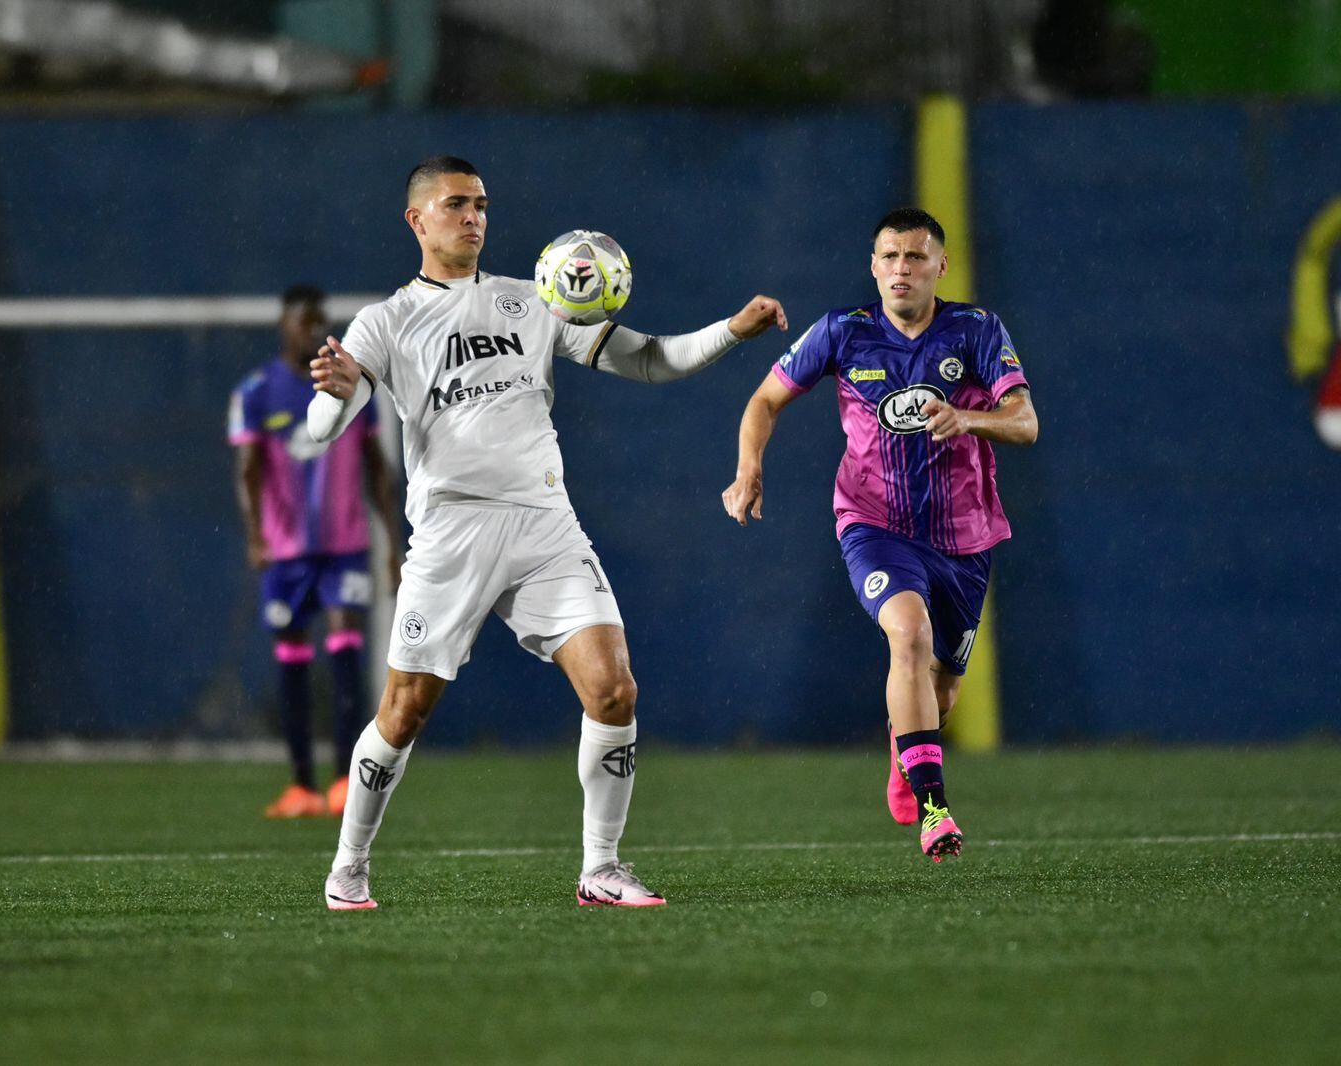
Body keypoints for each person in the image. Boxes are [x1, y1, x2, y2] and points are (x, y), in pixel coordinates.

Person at [305, 155, 788, 910]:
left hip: (544, 523)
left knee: (614, 688)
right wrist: (332, 400)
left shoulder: (535, 301)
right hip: (452, 532)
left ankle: (601, 868)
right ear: (417, 220)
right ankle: (348, 870)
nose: (474, 218)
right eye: (457, 204)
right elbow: (323, 428)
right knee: (403, 713)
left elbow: (654, 361)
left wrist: (733, 330)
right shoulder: (386, 322)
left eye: (482, 205)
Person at [721, 207, 1037, 863]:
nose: (902, 269)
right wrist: (749, 466)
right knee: (908, 631)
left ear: (940, 267)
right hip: (873, 525)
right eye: (890, 256)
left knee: (943, 688)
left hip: (964, 534)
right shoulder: (843, 331)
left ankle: (905, 746)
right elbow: (764, 401)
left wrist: (968, 421)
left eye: (916, 257)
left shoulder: (976, 331)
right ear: (873, 265)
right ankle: (934, 809)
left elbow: (1025, 422)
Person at [229, 283, 403, 819]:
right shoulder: (257, 392)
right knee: (292, 659)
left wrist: (394, 543)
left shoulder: (346, 384)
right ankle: (301, 784)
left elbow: (377, 466)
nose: (314, 330)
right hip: (287, 553)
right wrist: (256, 535)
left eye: (321, 320)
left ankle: (343, 782)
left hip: (344, 545)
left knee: (347, 649)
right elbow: (248, 471)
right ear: (284, 324)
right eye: (306, 320)